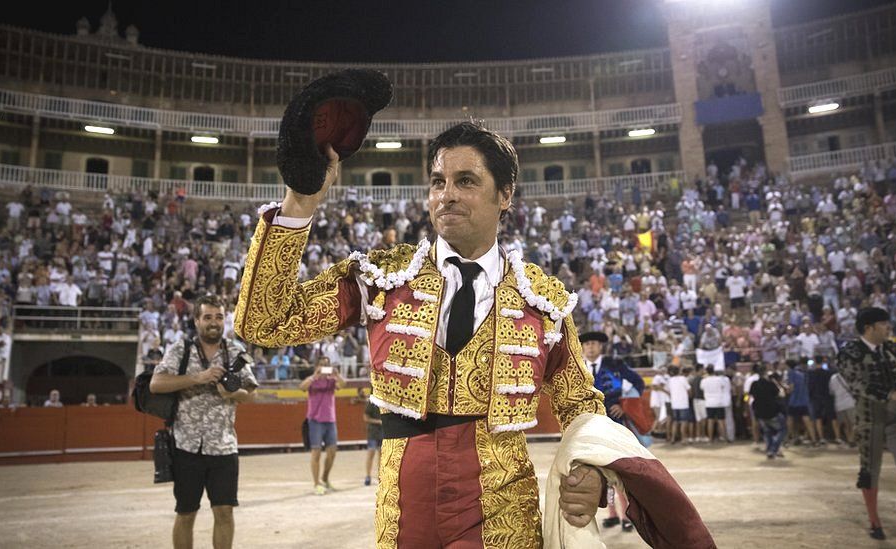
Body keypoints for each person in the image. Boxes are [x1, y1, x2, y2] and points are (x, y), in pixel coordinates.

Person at [235, 118, 711, 547]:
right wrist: (301, 203)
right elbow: (264, 320)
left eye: (466, 181)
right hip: (403, 508)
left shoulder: (540, 298)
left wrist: (590, 471)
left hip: (502, 508)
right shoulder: (380, 277)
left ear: (505, 195)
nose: (447, 195)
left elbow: (580, 405)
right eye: (438, 182)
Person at [150, 294, 258, 549]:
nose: (214, 322)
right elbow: (156, 384)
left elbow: (252, 395)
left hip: (223, 446)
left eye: (219, 317)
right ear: (197, 320)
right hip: (186, 446)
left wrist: (232, 393)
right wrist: (198, 378)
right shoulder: (182, 349)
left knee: (224, 512)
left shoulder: (235, 351)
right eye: (207, 317)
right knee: (186, 513)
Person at [837, 307, 896, 546]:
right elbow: (857, 384)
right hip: (869, 419)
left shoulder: (894, 350)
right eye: (883, 324)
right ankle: (875, 523)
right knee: (869, 471)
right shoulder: (850, 352)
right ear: (869, 328)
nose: (888, 328)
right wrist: (892, 394)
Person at [579, 331, 645, 532]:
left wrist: (626, 405)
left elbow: (639, 383)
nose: (590, 347)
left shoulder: (615, 365)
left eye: (594, 344)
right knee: (601, 473)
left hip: (615, 424)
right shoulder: (578, 367)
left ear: (601, 347)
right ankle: (612, 514)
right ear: (582, 347)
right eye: (587, 343)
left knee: (620, 470)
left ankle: (626, 515)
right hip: (591, 426)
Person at [300, 356, 345, 495]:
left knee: (332, 452)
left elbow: (343, 385)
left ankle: (325, 478)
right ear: (317, 366)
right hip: (315, 421)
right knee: (316, 453)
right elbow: (302, 387)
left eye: (326, 365)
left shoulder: (332, 380)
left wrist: (337, 374)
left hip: (330, 420)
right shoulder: (312, 380)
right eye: (322, 364)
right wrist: (315, 376)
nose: (324, 367)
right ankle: (316, 483)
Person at [749, 372, 787, 459]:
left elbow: (750, 396)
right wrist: (777, 383)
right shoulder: (770, 384)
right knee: (782, 430)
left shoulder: (754, 384)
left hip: (759, 412)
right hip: (772, 412)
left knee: (767, 432)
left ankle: (770, 450)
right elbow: (781, 394)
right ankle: (774, 449)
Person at [363, 388, 383, 486]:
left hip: (382, 431)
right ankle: (368, 476)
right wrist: (378, 422)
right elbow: (366, 418)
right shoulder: (371, 402)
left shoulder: (383, 401)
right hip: (373, 431)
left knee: (381, 455)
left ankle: (380, 476)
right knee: (372, 453)